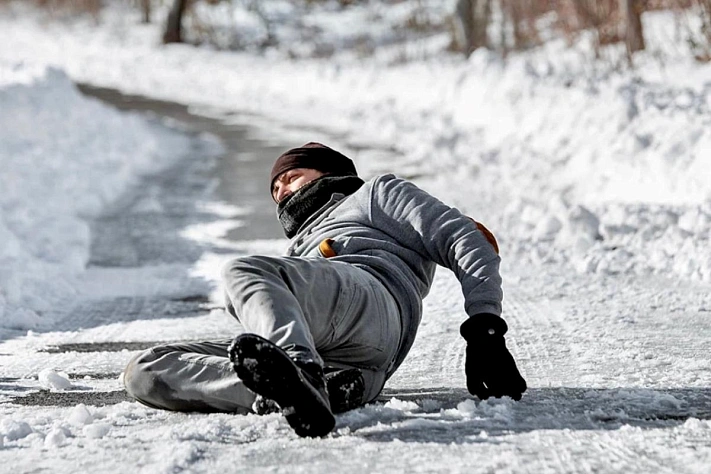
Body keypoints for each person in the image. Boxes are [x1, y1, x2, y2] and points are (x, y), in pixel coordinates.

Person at [123, 142, 527, 437]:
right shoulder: (297, 248)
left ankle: (299, 369)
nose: (281, 190)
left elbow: (467, 238)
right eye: (275, 189)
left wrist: (485, 329)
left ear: (328, 172)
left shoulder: (375, 195)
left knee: (242, 272)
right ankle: (297, 392)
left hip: (372, 299)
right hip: (355, 360)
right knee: (145, 370)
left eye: (290, 176)